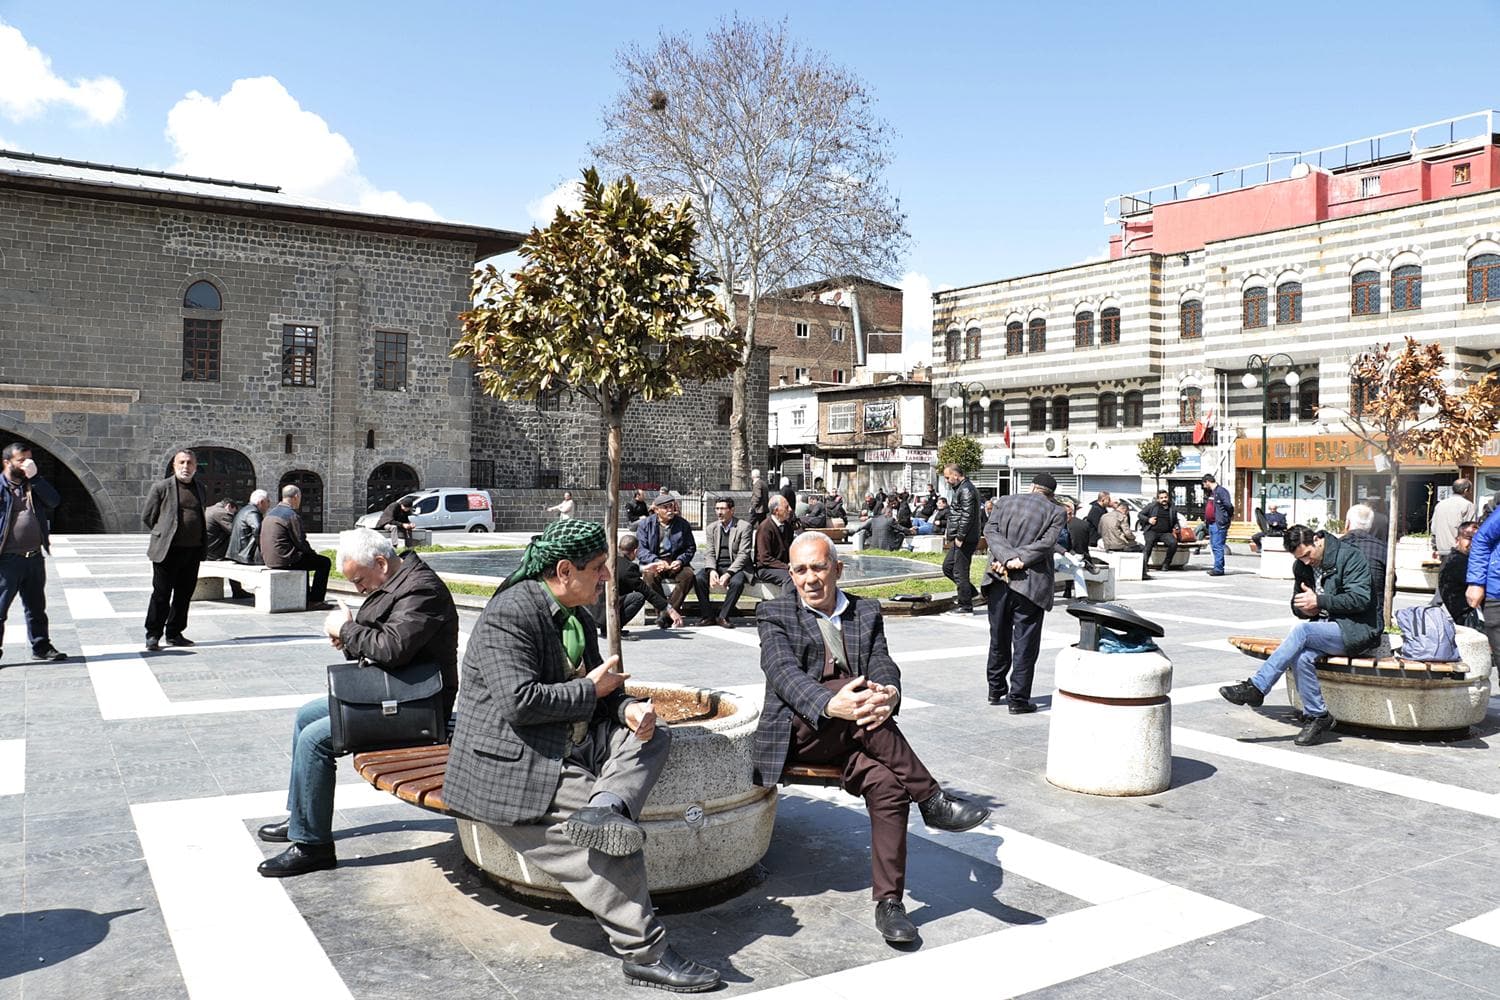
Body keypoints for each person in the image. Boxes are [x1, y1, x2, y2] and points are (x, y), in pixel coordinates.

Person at [444, 520, 722, 993]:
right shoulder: (510, 615)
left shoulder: (574, 612)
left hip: (569, 739)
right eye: (598, 568)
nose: (608, 577)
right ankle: (645, 955)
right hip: (516, 759)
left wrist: (627, 707)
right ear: (564, 570)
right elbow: (520, 702)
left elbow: (599, 689)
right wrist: (591, 690)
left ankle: (606, 805)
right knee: (614, 844)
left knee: (654, 737)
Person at [752, 532, 990, 943]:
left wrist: (890, 692)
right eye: (801, 570)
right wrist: (833, 704)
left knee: (888, 787)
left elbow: (882, 661)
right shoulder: (774, 614)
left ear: (838, 569)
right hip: (803, 730)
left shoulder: (865, 611)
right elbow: (783, 674)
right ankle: (932, 799)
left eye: (819, 568)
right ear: (790, 574)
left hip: (859, 733)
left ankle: (890, 903)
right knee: (852, 692)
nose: (810, 579)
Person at [256, 529, 459, 877]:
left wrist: (348, 631)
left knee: (316, 740)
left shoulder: (423, 588)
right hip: (394, 691)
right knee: (307, 716)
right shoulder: (397, 581)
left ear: (381, 562)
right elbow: (383, 637)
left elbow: (393, 648)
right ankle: (301, 816)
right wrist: (348, 638)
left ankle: (312, 845)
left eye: (360, 580)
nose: (359, 588)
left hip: (420, 705)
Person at [1220, 525, 1380, 746]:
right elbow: (1297, 602)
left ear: (1317, 539)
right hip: (1324, 628)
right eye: (1300, 558)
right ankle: (1318, 716)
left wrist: (1321, 601)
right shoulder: (1301, 566)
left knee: (1302, 632)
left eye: (1307, 554)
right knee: (1302, 656)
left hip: (1356, 630)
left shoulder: (1350, 557)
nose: (1306, 561)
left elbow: (1361, 599)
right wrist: (1305, 609)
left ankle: (1257, 687)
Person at [983, 473, 1065, 713]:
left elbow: (991, 531)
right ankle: (1017, 699)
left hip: (998, 578)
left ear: (1032, 487)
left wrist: (1005, 558)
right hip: (1030, 584)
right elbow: (1047, 543)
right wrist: (1015, 559)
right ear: (1051, 493)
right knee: (1025, 642)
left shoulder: (1005, 501)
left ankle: (995, 688)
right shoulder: (1056, 511)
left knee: (998, 636)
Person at [0, 443, 66, 664]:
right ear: (7, 463)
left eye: (30, 459)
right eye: (21, 460)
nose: (27, 464)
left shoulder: (33, 485)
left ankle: (41, 646)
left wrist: (36, 478)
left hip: (34, 558)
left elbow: (54, 501)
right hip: (7, 560)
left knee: (36, 607)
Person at [142, 449, 207, 651]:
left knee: (184, 594)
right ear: (174, 465)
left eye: (189, 463)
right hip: (167, 551)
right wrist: (163, 533)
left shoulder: (200, 488)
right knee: (161, 594)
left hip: (192, 550)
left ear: (195, 467)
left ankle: (175, 633)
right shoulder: (162, 487)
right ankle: (153, 634)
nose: (185, 467)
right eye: (181, 462)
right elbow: (148, 516)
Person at [261, 485, 333, 610]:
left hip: (269, 559)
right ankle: (315, 600)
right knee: (324, 562)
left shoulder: (270, 514)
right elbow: (301, 541)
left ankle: (306, 596)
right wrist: (313, 554)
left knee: (305, 560)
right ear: (296, 497)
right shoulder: (291, 515)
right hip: (285, 560)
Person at [594, 534, 681, 636]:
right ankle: (614, 628)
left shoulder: (608, 559)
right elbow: (647, 592)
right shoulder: (629, 568)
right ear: (635, 551)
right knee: (638, 597)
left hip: (594, 611)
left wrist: (644, 568)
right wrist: (670, 610)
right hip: (605, 613)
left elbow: (622, 572)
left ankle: (606, 628)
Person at [635, 492, 696, 628]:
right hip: (655, 562)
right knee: (649, 577)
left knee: (689, 576)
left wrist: (680, 561)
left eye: (671, 506)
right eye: (666, 507)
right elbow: (641, 550)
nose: (670, 510)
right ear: (656, 510)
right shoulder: (645, 524)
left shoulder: (682, 524)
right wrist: (656, 561)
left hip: (675, 562)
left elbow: (690, 548)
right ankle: (666, 613)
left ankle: (664, 616)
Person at [693, 497, 753, 628]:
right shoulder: (711, 528)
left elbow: (744, 554)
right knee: (698, 578)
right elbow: (709, 552)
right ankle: (707, 616)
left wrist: (729, 573)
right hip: (717, 565)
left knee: (737, 583)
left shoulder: (744, 527)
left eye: (723, 509)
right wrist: (712, 570)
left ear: (732, 510)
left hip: (736, 567)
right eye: (717, 509)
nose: (719, 512)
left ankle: (723, 616)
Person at [941, 463, 981, 616]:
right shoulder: (961, 489)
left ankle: (965, 607)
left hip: (965, 538)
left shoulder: (966, 490)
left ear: (956, 475)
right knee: (948, 567)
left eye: (947, 477)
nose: (947, 480)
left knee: (960, 572)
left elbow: (967, 516)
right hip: (962, 537)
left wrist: (960, 536)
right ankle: (970, 592)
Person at [1341, 503, 1387, 615]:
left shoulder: (1336, 547)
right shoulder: (1383, 549)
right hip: (1374, 617)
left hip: (1341, 616)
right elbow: (1390, 587)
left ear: (1347, 524)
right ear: (1370, 526)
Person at [1435, 520, 1479, 628]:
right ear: (1457, 540)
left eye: (1477, 540)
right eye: (1468, 538)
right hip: (1470, 619)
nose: (1473, 543)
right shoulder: (1458, 561)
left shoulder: (1457, 558)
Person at [754, 495, 797, 591]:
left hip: (783, 566)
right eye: (786, 507)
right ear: (776, 511)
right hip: (766, 568)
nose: (790, 509)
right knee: (789, 578)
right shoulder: (765, 527)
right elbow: (764, 558)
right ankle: (789, 604)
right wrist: (787, 566)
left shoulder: (787, 526)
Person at [1137, 489, 1178, 578]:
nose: (1164, 499)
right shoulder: (1152, 506)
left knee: (1173, 543)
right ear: (1158, 499)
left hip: (1165, 533)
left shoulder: (1172, 508)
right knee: (1149, 543)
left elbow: (1175, 520)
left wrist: (1177, 526)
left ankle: (1166, 563)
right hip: (1152, 530)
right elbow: (1140, 514)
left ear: (1168, 498)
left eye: (1165, 497)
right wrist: (1149, 520)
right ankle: (1144, 565)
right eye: (1161, 498)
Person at [1430, 479, 1474, 556]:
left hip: (1441, 550)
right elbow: (1469, 531)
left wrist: (1436, 548)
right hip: (1459, 551)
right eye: (1470, 490)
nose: (1470, 492)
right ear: (1466, 490)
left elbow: (1434, 529)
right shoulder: (1467, 505)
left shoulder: (1440, 505)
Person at [849, 500, 913, 551]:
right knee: (901, 534)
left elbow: (861, 527)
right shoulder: (890, 520)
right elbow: (902, 529)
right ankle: (895, 549)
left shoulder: (873, 520)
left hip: (874, 547)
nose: (892, 514)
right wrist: (910, 531)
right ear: (889, 513)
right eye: (891, 512)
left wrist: (851, 532)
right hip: (887, 548)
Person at [1201, 473, 1233, 575]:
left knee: (1218, 546)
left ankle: (1218, 569)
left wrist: (1224, 518)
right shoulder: (1211, 493)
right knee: (1214, 546)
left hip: (1218, 524)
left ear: (1207, 482)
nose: (1204, 487)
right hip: (1211, 523)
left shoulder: (1221, 491)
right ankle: (1218, 567)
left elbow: (1228, 506)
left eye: (1204, 484)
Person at [229, 489, 270, 565]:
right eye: (268, 501)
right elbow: (257, 529)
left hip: (239, 554)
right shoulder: (252, 512)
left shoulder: (245, 510)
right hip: (246, 556)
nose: (269, 505)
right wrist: (264, 549)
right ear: (261, 502)